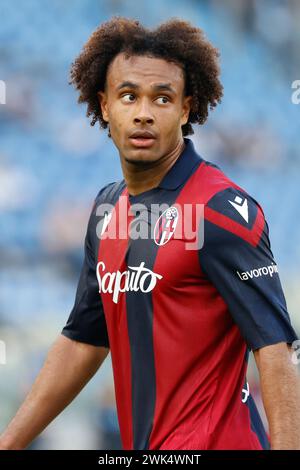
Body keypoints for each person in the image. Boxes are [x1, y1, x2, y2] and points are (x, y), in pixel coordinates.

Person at [0, 17, 299, 451]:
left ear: (185, 108)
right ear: (104, 105)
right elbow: (84, 339)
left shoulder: (221, 211)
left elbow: (276, 349)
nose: (143, 112)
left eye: (162, 98)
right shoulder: (106, 211)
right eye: (129, 96)